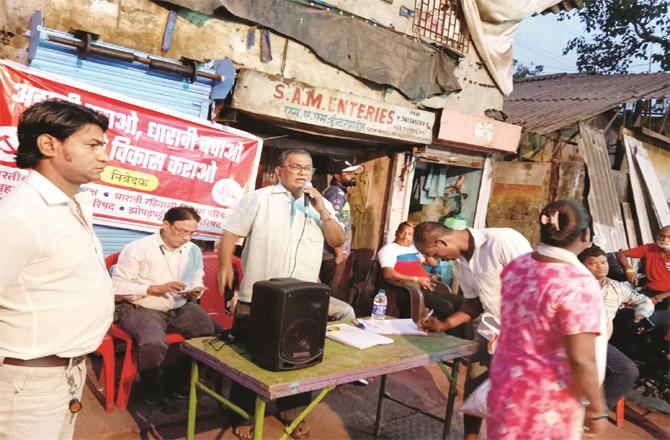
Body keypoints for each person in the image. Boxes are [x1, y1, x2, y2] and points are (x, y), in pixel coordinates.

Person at [0, 100, 114, 439]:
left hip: (65, 375)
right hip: (28, 385)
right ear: (49, 144)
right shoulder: (22, 215)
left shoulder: (70, 204)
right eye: (93, 145)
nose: (104, 156)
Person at [218, 149, 351, 439]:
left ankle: (292, 411)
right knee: (248, 359)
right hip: (259, 296)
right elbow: (230, 233)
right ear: (280, 171)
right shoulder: (260, 198)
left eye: (308, 168)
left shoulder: (320, 203)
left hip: (303, 301)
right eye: (296, 167)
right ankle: (243, 413)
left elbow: (338, 239)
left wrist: (323, 211)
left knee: (299, 356)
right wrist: (225, 265)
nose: (303, 173)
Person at [487, 200, 607, 439]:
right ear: (585, 234)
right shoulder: (578, 283)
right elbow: (582, 360)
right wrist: (596, 410)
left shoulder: (516, 266)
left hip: (505, 386)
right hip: (546, 402)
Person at [413, 221, 531, 439]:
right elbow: (473, 304)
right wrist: (444, 324)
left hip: (524, 339)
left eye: (435, 253)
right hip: (490, 334)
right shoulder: (460, 263)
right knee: (475, 392)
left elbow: (536, 287)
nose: (436, 260)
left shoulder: (503, 242)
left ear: (442, 241)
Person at [112, 206, 215, 405]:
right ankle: (151, 388)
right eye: (182, 231)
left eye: (192, 233)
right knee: (153, 341)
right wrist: (153, 289)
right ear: (166, 225)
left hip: (180, 304)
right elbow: (117, 285)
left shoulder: (192, 249)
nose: (187, 238)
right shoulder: (138, 248)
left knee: (209, 333)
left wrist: (195, 289)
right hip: (141, 306)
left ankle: (175, 379)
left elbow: (196, 276)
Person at [579, 245, 654, 411]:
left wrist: (640, 315)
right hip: (574, 341)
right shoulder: (573, 285)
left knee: (628, 371)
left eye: (603, 262)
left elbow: (644, 300)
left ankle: (597, 411)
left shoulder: (617, 288)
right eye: (593, 263)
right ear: (582, 265)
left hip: (600, 343)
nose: (601, 266)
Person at [377, 221, 463, 321]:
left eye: (410, 234)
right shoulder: (389, 249)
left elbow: (432, 263)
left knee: (460, 302)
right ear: (396, 233)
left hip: (426, 286)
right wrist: (416, 279)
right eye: (402, 232)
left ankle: (462, 336)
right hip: (408, 290)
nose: (405, 236)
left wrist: (424, 248)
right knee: (446, 307)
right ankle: (438, 329)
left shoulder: (414, 249)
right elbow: (388, 274)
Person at [319, 158, 362, 286]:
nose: (352, 177)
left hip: (332, 253)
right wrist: (338, 252)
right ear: (337, 176)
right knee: (330, 292)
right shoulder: (336, 194)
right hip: (332, 254)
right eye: (348, 174)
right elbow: (334, 222)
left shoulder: (337, 192)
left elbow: (342, 218)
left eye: (353, 173)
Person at [616, 226, 670, 306]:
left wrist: (657, 298)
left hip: (667, 295)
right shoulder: (650, 248)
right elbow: (621, 254)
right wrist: (629, 269)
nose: (665, 240)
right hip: (649, 291)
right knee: (626, 308)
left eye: (669, 237)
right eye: (662, 236)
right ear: (658, 236)